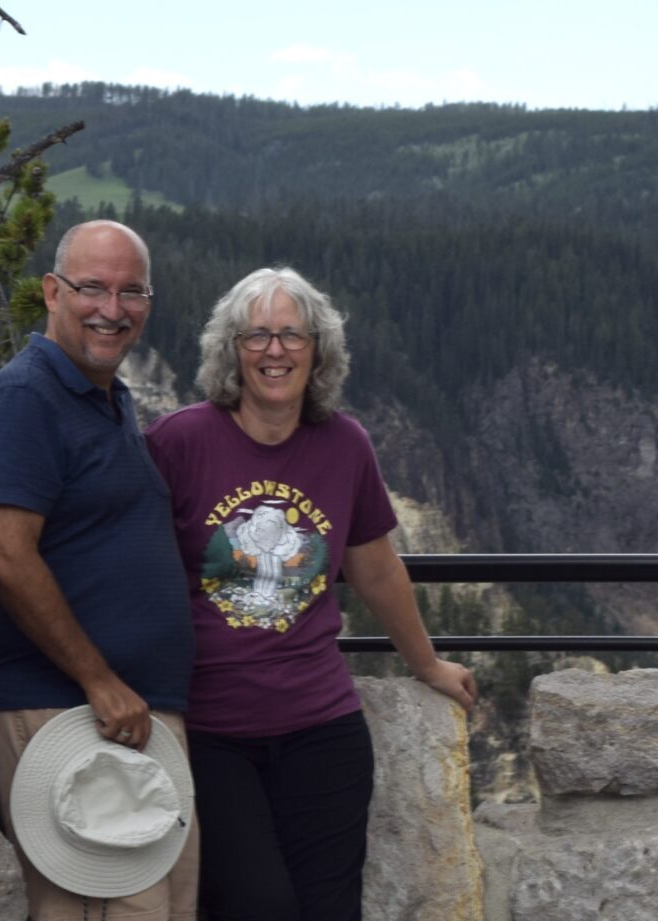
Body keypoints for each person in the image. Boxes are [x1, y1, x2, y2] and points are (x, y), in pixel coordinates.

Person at [144, 266, 476, 921]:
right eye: (257, 335)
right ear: (231, 349)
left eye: (291, 334)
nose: (275, 351)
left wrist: (427, 663)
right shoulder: (178, 443)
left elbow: (376, 570)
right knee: (257, 905)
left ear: (317, 350)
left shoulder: (343, 445)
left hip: (321, 727)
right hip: (212, 732)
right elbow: (126, 566)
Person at [0, 219, 198, 920]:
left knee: (159, 904)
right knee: (101, 906)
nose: (111, 308)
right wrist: (98, 678)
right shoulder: (24, 398)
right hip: (73, 711)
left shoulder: (104, 399)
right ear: (51, 292)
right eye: (92, 287)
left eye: (130, 291)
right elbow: (3, 552)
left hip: (120, 714)